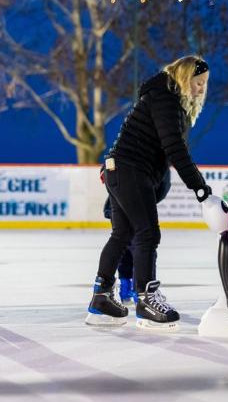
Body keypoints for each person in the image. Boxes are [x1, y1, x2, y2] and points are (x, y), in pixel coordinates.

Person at [85, 55, 213, 331]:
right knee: (147, 232)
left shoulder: (162, 96)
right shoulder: (165, 98)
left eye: (204, 84)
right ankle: (146, 300)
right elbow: (175, 149)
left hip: (121, 168)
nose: (201, 89)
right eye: (198, 82)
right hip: (130, 169)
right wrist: (200, 187)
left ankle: (101, 298)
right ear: (184, 77)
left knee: (123, 234)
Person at [102, 171, 171, 304]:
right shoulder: (155, 158)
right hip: (137, 205)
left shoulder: (121, 153)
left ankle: (127, 287)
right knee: (144, 246)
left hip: (117, 204)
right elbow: (163, 186)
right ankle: (140, 289)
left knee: (124, 245)